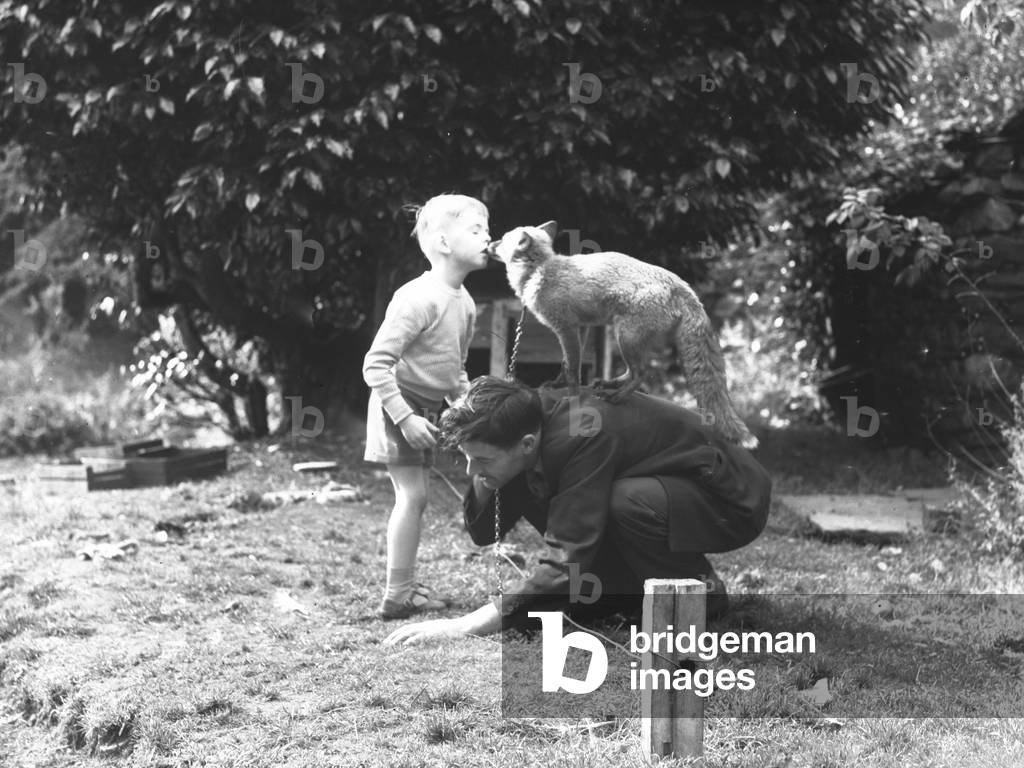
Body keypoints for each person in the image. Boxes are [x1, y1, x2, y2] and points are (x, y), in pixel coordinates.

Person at [384, 376, 772, 645]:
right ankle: (620, 596)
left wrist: (468, 624)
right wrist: (487, 471)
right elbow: (484, 532)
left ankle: (699, 593)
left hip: (727, 496)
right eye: (468, 459)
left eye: (481, 460)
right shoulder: (522, 426)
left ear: (526, 443)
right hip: (666, 487)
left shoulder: (579, 434)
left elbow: (568, 556)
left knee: (626, 502)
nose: (472, 473)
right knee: (549, 488)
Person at [363, 194, 491, 619]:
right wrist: (405, 417)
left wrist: (467, 405)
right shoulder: (417, 297)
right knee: (413, 496)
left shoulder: (466, 302)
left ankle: (403, 588)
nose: (487, 237)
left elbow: (455, 369)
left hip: (426, 408)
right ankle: (397, 593)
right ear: (443, 243)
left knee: (415, 498)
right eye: (476, 230)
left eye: (487, 229)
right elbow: (375, 365)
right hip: (396, 403)